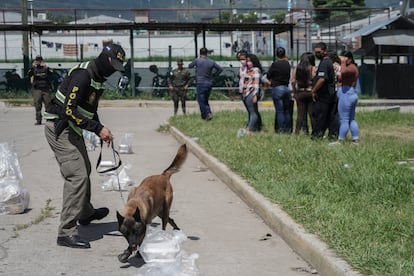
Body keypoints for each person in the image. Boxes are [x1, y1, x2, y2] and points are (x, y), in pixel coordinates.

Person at [43, 44, 126, 249]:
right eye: (113, 65)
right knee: (77, 175)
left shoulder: (97, 79)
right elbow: (68, 110)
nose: (114, 70)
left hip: (73, 129)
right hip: (59, 128)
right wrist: (97, 129)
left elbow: (89, 110)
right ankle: (66, 232)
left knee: (85, 169)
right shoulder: (83, 75)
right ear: (105, 60)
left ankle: (85, 213)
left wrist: (100, 128)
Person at [310, 42, 336, 139]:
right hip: (329, 94)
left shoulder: (324, 63)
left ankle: (317, 135)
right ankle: (331, 134)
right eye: (315, 52)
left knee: (320, 116)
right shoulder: (327, 62)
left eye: (319, 52)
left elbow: (322, 79)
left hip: (324, 95)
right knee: (328, 116)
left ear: (325, 51)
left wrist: (313, 90)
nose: (317, 54)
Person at [188, 47, 222, 120]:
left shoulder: (197, 61)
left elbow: (190, 66)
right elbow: (220, 69)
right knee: (205, 100)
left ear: (200, 53)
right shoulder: (211, 61)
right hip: (209, 82)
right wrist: (214, 75)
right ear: (207, 53)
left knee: (200, 100)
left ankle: (206, 114)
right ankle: (208, 113)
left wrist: (197, 59)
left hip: (200, 82)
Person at [336, 50, 360, 143]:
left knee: (344, 119)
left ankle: (341, 140)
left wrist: (342, 62)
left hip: (346, 94)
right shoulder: (353, 67)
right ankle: (355, 138)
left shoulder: (351, 67)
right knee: (350, 119)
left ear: (348, 59)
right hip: (350, 93)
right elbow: (341, 76)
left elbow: (344, 71)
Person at [267, 47, 292, 133]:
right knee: (287, 111)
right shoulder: (287, 64)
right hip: (286, 88)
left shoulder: (275, 64)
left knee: (280, 111)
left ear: (276, 54)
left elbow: (268, 76)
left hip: (277, 87)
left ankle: (281, 129)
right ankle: (288, 129)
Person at [291, 52, 316, 134]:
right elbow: (314, 79)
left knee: (300, 115)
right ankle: (315, 131)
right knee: (312, 114)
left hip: (300, 91)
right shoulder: (312, 68)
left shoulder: (296, 68)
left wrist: (294, 91)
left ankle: (297, 132)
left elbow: (293, 81)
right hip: (310, 91)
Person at [28, 55, 54, 125]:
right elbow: (29, 74)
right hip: (37, 89)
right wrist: (32, 67)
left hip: (46, 89)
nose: (39, 62)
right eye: (37, 60)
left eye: (40, 60)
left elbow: (52, 73)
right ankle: (38, 120)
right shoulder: (34, 69)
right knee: (37, 105)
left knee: (48, 105)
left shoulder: (46, 68)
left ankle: (49, 119)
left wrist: (46, 67)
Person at [242, 53, 263, 134]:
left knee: (252, 113)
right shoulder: (248, 70)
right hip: (246, 93)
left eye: (250, 61)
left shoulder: (256, 70)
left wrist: (255, 94)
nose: (248, 63)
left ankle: (249, 129)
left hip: (250, 93)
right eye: (247, 61)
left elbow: (256, 84)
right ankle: (258, 127)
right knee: (254, 111)